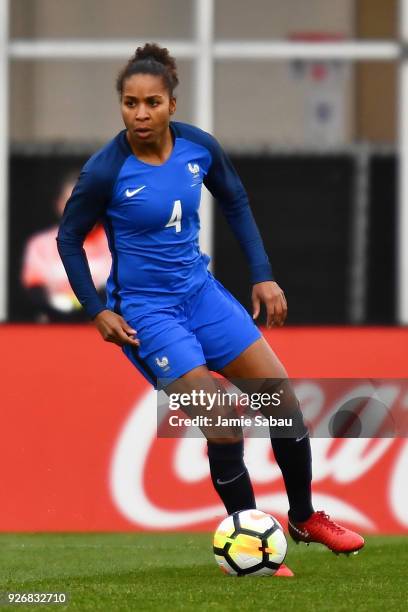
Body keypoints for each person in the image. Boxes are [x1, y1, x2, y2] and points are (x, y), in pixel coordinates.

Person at [57, 43, 364, 576]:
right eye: (130, 103)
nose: (141, 113)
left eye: (152, 102)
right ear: (122, 107)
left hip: (201, 294)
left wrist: (262, 274)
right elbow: (68, 240)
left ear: (172, 104)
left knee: (281, 402)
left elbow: (236, 200)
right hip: (149, 315)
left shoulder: (198, 148)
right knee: (222, 420)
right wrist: (96, 310)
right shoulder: (106, 170)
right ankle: (248, 542)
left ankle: (303, 517)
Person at [22, 171, 110, 322]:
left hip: (101, 328)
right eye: (71, 201)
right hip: (53, 327)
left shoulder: (115, 242)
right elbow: (34, 287)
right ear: (59, 204)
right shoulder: (40, 244)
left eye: (85, 201)